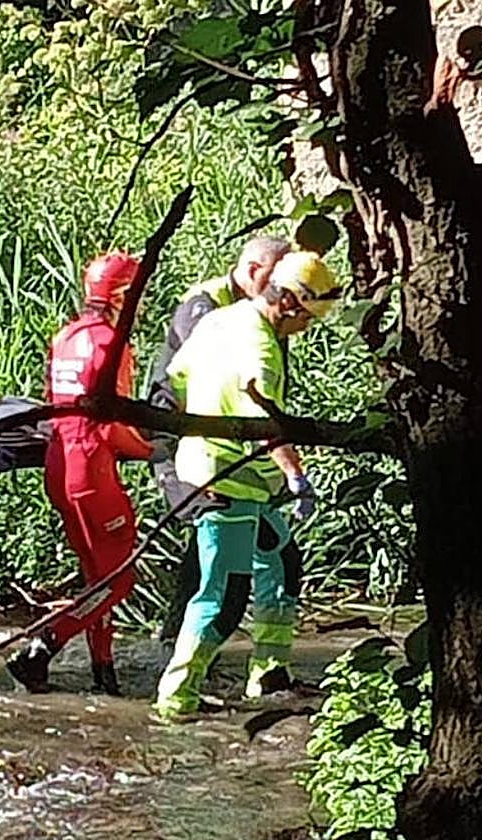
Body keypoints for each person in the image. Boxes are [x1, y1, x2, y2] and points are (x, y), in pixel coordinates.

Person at [153, 251, 340, 721]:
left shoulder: (220, 321)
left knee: (282, 565)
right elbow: (268, 425)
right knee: (223, 594)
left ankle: (269, 674)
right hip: (224, 483)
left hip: (239, 480)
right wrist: (298, 477)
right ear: (293, 305)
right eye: (308, 321)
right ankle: (177, 698)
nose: (305, 331)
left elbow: (177, 378)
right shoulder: (260, 348)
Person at [6, 252, 155, 696]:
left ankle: (103, 674)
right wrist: (150, 450)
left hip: (58, 464)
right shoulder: (113, 342)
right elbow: (110, 424)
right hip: (92, 471)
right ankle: (43, 647)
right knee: (120, 578)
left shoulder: (66, 336)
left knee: (97, 579)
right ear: (122, 296)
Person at [145, 236, 296, 644]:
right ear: (252, 270)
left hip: (235, 453)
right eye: (276, 279)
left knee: (265, 558)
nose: (284, 292)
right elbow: (203, 384)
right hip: (187, 447)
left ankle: (259, 674)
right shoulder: (207, 306)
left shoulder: (265, 308)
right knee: (220, 570)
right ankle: (176, 669)